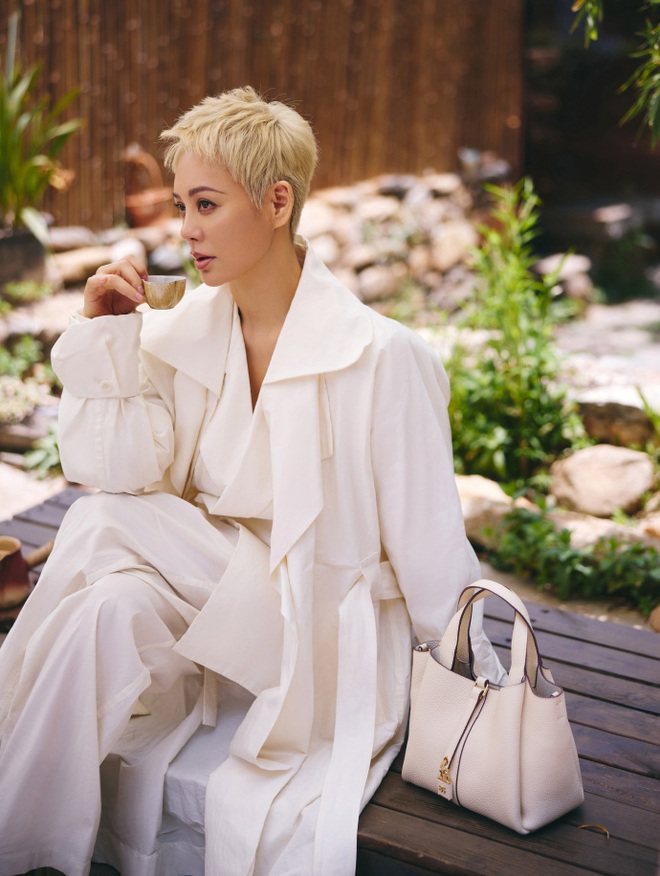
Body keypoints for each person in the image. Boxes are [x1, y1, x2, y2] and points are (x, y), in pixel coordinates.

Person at [0, 86, 505, 876]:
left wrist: (482, 692)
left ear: (277, 202)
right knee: (104, 607)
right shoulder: (183, 334)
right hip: (220, 614)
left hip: (317, 639)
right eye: (181, 206)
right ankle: (27, 848)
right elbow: (111, 470)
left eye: (206, 204)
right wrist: (106, 332)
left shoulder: (381, 356)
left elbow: (431, 550)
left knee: (99, 524)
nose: (185, 229)